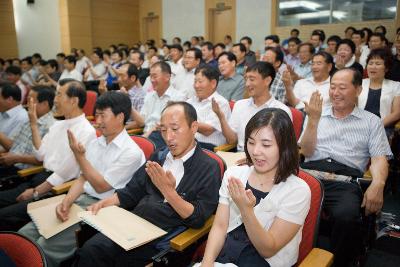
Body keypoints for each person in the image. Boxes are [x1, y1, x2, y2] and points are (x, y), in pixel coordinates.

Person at [72, 101, 221, 267]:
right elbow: (132, 191)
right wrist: (104, 203)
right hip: (134, 223)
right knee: (90, 250)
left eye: (175, 129)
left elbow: (199, 218)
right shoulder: (159, 156)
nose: (168, 137)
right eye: (163, 130)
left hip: (162, 237)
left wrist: (169, 192)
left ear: (193, 127)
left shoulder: (209, 167)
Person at [18, 91, 146, 267]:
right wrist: (67, 201)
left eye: (103, 116)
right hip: (80, 200)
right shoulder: (96, 143)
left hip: (102, 209)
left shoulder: (131, 152)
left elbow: (101, 186)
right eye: (97, 114)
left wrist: (80, 157)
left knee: (41, 248)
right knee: (24, 234)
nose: (98, 121)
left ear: (120, 117)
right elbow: (82, 179)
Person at [299, 68, 392, 266]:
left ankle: (340, 262)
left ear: (358, 90)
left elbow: (378, 159)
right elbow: (305, 152)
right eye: (332, 87)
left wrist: (379, 183)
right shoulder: (316, 114)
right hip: (309, 176)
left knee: (347, 217)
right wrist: (313, 121)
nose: (336, 92)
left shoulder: (371, 121)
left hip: (345, 181)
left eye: (343, 87)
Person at [200, 108, 311, 267]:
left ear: (284, 147)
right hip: (226, 256)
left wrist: (246, 210)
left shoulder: (298, 191)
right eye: (251, 142)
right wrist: (207, 263)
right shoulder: (234, 175)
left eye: (266, 145)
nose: (256, 151)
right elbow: (219, 226)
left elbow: (268, 249)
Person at [0, 79, 96, 231]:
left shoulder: (86, 131)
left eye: (59, 95)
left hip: (56, 188)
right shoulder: (58, 125)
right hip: (40, 178)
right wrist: (33, 123)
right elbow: (40, 156)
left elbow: (66, 172)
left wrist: (37, 192)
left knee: (4, 216)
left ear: (74, 100)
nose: (55, 100)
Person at [213, 62, 292, 152]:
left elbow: (284, 148)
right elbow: (232, 140)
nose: (247, 84)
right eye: (246, 79)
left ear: (267, 81)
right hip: (240, 156)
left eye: (252, 79)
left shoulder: (281, 110)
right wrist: (221, 117)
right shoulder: (239, 105)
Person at [0, 86, 55, 178]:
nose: (26, 104)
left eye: (31, 101)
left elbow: (44, 159)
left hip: (24, 173)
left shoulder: (51, 126)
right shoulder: (28, 118)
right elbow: (12, 145)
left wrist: (16, 158)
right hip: (10, 165)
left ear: (45, 104)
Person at [130, 61, 185, 148]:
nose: (151, 80)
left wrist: (144, 138)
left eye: (155, 76)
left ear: (167, 77)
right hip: (146, 135)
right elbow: (142, 121)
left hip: (163, 138)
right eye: (150, 76)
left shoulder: (178, 98)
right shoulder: (149, 95)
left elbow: (163, 125)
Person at [187, 65, 231, 150]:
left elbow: (207, 130)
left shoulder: (220, 103)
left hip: (209, 147)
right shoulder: (190, 101)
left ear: (213, 83)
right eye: (195, 81)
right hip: (189, 143)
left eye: (200, 81)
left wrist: (184, 122)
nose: (196, 85)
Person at [358, 48, 400, 133]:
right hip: (359, 126)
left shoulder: (396, 86)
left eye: (378, 64)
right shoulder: (359, 84)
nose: (373, 67)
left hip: (383, 128)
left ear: (386, 68)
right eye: (370, 63)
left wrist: (377, 126)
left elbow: (396, 113)